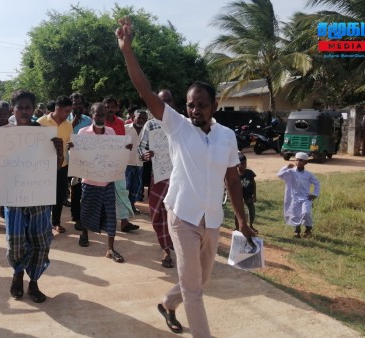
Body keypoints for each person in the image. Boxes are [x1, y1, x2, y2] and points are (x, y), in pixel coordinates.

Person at [117, 17, 255, 337]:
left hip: (212, 217)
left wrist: (242, 219)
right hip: (182, 214)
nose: (195, 110)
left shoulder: (226, 136)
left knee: (202, 279)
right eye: (191, 105)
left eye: (201, 105)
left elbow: (232, 180)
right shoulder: (177, 126)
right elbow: (145, 91)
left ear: (214, 106)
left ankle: (167, 304)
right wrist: (127, 51)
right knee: (195, 288)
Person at [0, 90, 63, 303]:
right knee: (15, 241)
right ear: (13, 109)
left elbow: (53, 167)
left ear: (34, 108)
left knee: (40, 241)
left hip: (39, 196)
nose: (25, 111)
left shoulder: (44, 134)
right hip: (14, 196)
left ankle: (34, 282)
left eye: (29, 107)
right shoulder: (4, 135)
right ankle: (18, 274)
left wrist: (60, 152)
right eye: (21, 107)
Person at [69, 102, 131, 263]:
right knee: (86, 209)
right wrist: (72, 148)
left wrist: (125, 148)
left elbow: (115, 154)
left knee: (110, 213)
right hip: (89, 181)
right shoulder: (83, 133)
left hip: (108, 180)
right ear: (92, 115)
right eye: (97, 114)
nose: (101, 117)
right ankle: (84, 233)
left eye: (103, 115)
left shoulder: (110, 132)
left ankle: (110, 248)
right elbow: (76, 155)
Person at [138, 91, 175, 269]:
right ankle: (166, 247)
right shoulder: (150, 126)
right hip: (159, 176)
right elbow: (140, 150)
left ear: (173, 102)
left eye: (167, 101)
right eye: (161, 101)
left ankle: (172, 247)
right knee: (157, 213)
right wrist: (145, 155)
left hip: (180, 178)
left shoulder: (182, 122)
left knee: (177, 213)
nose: (164, 104)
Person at [37, 95, 73, 234]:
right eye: (66, 111)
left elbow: (70, 145)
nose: (68, 114)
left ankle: (56, 222)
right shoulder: (41, 122)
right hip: (43, 167)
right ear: (58, 108)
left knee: (59, 196)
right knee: (45, 196)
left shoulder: (68, 125)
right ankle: (44, 223)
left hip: (62, 166)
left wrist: (71, 145)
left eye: (70, 111)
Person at [104, 96, 138, 232]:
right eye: (108, 106)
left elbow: (123, 141)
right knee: (105, 193)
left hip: (118, 163)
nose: (110, 109)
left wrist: (127, 146)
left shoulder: (120, 122)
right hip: (102, 164)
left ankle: (124, 222)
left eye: (113, 106)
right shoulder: (100, 122)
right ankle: (105, 222)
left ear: (117, 108)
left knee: (122, 191)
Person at [277, 152, 320, 238]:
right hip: (293, 197)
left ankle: (308, 229)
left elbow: (317, 183)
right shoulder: (290, 172)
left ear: (305, 163)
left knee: (306, 213)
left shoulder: (308, 174)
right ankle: (297, 232)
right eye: (297, 160)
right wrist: (286, 167)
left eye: (301, 160)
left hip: (305, 198)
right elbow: (279, 175)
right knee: (295, 214)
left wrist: (315, 194)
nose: (298, 162)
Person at [67, 93, 92, 231]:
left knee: (83, 189)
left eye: (79, 103)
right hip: (69, 160)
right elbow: (64, 135)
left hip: (85, 159)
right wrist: (72, 124)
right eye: (74, 103)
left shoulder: (88, 120)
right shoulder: (65, 119)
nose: (76, 106)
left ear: (83, 105)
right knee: (74, 188)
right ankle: (75, 215)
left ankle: (83, 215)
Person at [124, 110, 147, 214]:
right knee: (125, 187)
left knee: (136, 187)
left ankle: (132, 206)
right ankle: (124, 208)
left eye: (144, 119)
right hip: (126, 163)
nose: (141, 120)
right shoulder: (125, 129)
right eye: (139, 118)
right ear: (134, 117)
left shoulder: (147, 131)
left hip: (139, 163)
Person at [235, 152, 258, 234]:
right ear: (237, 164)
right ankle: (237, 227)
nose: (244, 165)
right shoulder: (234, 174)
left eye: (245, 163)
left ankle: (251, 225)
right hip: (238, 195)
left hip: (248, 195)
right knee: (238, 212)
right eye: (242, 164)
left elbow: (254, 183)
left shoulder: (249, 173)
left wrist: (254, 195)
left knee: (251, 211)